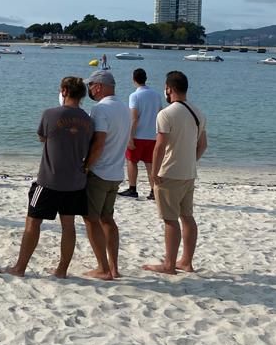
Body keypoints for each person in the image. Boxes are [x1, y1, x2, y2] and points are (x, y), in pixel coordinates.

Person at [0, 77, 93, 278]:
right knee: (68, 225)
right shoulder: (88, 120)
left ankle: (20, 268)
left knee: (32, 222)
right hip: (75, 181)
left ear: (65, 91)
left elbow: (42, 137)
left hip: (49, 179)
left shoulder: (51, 114)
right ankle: (61, 271)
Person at [143, 71, 207, 275]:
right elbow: (203, 144)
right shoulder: (198, 113)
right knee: (187, 216)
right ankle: (186, 261)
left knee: (170, 220)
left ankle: (169, 264)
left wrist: (154, 173)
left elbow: (160, 146)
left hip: (169, 172)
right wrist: (190, 160)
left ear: (169, 89)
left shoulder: (166, 114)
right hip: (188, 172)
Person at [81, 70, 131, 281]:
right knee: (107, 219)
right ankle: (113, 266)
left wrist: (86, 167)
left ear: (99, 86)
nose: (89, 90)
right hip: (116, 172)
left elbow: (99, 142)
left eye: (91, 86)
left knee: (91, 219)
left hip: (100, 172)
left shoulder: (100, 109)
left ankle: (103, 268)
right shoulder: (124, 108)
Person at [120, 68, 163, 200]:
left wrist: (130, 137)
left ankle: (133, 188)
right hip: (153, 135)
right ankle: (152, 190)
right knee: (150, 163)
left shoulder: (134, 96)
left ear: (134, 79)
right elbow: (161, 113)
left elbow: (134, 118)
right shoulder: (156, 95)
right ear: (146, 78)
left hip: (139, 135)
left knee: (131, 161)